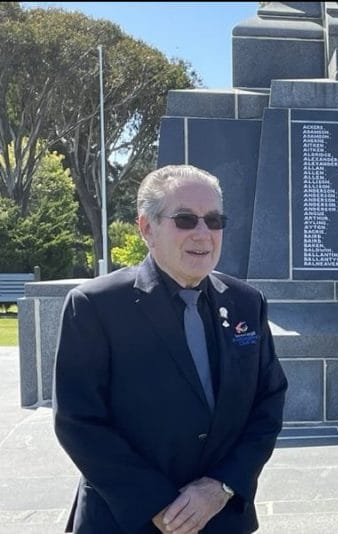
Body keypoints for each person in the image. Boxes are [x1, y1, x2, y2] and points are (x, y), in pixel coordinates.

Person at [53, 164, 288, 534]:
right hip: (127, 519)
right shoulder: (95, 306)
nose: (203, 233)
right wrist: (159, 505)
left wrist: (221, 486)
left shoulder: (247, 302)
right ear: (147, 228)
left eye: (213, 220)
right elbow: (79, 423)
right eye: (185, 220)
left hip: (221, 517)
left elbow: (268, 402)